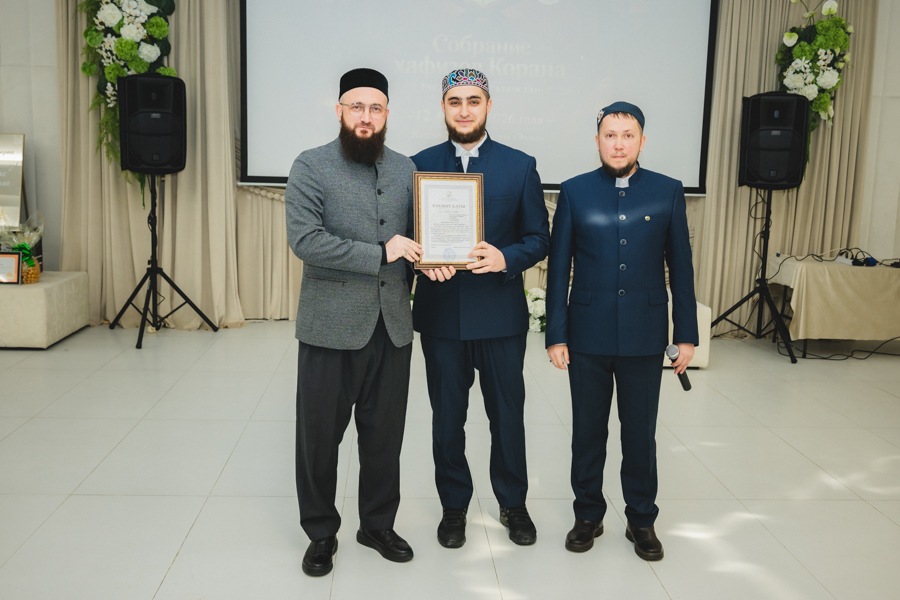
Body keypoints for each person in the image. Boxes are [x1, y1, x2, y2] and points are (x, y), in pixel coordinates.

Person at [545, 101, 698, 561]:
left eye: (627, 135)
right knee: (587, 432)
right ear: (597, 141)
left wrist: (686, 335)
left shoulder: (668, 191)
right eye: (609, 135)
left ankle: (641, 519)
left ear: (642, 141)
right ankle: (587, 515)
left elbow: (681, 268)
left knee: (639, 434)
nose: (618, 144)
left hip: (644, 336)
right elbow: (558, 270)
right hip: (586, 334)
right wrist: (556, 335)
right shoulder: (574, 191)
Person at [285, 68, 422, 577]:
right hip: (329, 327)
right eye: (357, 107)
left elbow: (419, 238)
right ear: (339, 109)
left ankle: (377, 525)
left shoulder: (407, 168)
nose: (366, 117)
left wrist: (437, 259)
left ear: (387, 114)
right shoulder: (311, 164)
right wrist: (381, 252)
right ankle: (321, 532)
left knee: (385, 436)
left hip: (393, 325)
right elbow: (306, 241)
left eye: (376, 108)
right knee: (319, 438)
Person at [410, 69, 550, 548]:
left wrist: (505, 257)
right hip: (441, 316)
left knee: (507, 417)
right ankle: (454, 507)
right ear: (443, 108)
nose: (464, 110)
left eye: (474, 100)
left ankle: (513, 504)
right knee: (447, 419)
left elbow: (539, 238)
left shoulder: (519, 165)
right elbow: (406, 236)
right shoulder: (417, 165)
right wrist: (422, 262)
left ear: (489, 105)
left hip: (499, 317)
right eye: (455, 101)